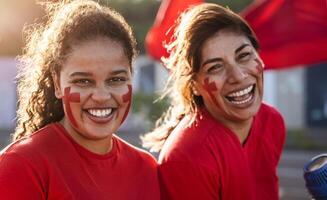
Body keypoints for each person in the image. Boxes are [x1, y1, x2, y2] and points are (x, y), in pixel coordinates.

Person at [0, 1, 160, 199]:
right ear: (57, 84)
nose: (101, 96)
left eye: (116, 79)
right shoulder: (21, 165)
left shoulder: (146, 167)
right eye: (83, 81)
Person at [142, 3, 286, 200]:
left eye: (244, 56)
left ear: (259, 57)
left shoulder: (272, 122)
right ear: (194, 85)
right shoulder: (189, 156)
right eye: (215, 67)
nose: (238, 76)